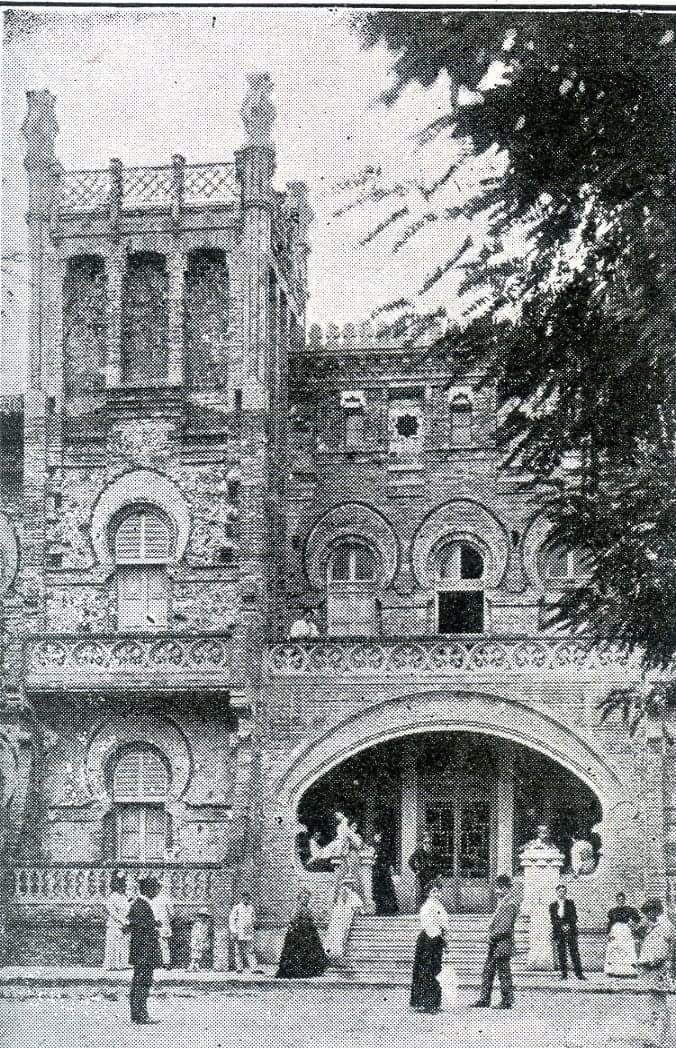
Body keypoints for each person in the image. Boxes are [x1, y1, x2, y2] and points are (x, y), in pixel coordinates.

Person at [472, 874, 519, 1009]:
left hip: (502, 943)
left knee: (503, 973)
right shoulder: (504, 902)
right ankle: (484, 999)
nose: (496, 891)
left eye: (498, 888)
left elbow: (505, 927)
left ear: (505, 888)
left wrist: (490, 936)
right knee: (488, 971)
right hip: (496, 943)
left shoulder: (510, 904)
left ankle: (507, 1000)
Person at [635, 898, 674, 1048]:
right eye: (646, 913)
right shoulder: (653, 925)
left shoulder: (665, 926)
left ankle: (660, 1041)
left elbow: (664, 950)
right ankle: (655, 1038)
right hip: (651, 970)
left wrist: (651, 961)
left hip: (659, 970)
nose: (647, 915)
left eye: (649, 912)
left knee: (660, 1005)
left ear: (657, 911)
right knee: (653, 1005)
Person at [125, 874, 162, 1025]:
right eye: (155, 888)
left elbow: (136, 924)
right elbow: (140, 928)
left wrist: (153, 923)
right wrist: (153, 925)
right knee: (143, 982)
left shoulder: (140, 904)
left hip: (142, 952)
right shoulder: (142, 904)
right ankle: (141, 1015)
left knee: (139, 982)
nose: (157, 891)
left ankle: (137, 1013)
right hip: (144, 953)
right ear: (148, 889)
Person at [410, 878, 450, 1014]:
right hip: (428, 940)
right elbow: (428, 925)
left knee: (435, 970)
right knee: (426, 971)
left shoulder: (439, 906)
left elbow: (444, 924)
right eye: (434, 891)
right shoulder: (427, 907)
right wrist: (437, 938)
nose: (437, 894)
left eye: (439, 891)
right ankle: (426, 1003)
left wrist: (444, 940)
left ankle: (434, 1003)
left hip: (436, 939)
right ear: (428, 893)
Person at [276, 888, 328, 978]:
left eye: (307, 898)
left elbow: (311, 920)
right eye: (303, 898)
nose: (305, 900)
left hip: (309, 933)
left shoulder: (308, 910)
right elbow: (292, 920)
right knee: (297, 952)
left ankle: (309, 971)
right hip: (298, 934)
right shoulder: (296, 909)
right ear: (299, 899)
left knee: (310, 952)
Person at [549, 882, 586, 981]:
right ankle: (564, 974)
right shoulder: (553, 905)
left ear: (565, 892)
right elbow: (553, 920)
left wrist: (568, 925)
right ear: (556, 892)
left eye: (563, 891)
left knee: (574, 952)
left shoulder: (570, 903)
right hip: (559, 931)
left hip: (570, 930)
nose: (561, 893)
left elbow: (574, 917)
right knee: (562, 953)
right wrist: (561, 926)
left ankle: (579, 974)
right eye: (559, 891)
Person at [324, 877, 363, 965]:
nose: (350, 886)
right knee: (338, 933)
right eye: (349, 884)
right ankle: (335, 953)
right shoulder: (348, 893)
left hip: (340, 914)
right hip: (342, 915)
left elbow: (357, 904)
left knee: (337, 933)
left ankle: (334, 952)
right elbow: (358, 905)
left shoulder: (344, 894)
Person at [604, 891, 640, 977]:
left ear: (624, 900)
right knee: (614, 948)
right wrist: (609, 933)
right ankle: (614, 971)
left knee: (626, 948)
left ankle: (628, 971)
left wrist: (633, 925)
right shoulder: (613, 911)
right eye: (619, 899)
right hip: (615, 930)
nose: (621, 901)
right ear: (616, 900)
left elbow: (637, 918)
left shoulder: (629, 909)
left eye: (622, 899)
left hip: (625, 931)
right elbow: (610, 923)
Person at [103, 871, 130, 970]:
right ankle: (113, 965)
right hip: (115, 925)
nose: (123, 887)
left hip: (125, 924)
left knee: (124, 944)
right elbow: (113, 913)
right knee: (114, 944)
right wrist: (123, 921)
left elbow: (128, 909)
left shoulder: (124, 897)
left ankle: (123, 964)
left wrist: (128, 920)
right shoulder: (112, 897)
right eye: (120, 884)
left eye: (123, 884)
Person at [228, 890, 261, 974]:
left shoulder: (251, 908)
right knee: (238, 950)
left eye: (247, 898)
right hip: (239, 932)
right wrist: (234, 931)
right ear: (241, 898)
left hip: (249, 932)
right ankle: (239, 968)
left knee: (250, 950)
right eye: (244, 897)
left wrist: (253, 924)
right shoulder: (237, 908)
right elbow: (231, 920)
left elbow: (253, 919)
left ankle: (253, 968)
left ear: (249, 899)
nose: (245, 899)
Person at [408, 832, 441, 904]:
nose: (428, 845)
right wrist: (415, 871)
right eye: (426, 843)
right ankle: (422, 909)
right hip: (422, 875)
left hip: (433, 875)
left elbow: (438, 863)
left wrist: (438, 873)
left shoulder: (434, 853)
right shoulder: (419, 852)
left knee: (432, 892)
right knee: (423, 893)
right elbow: (410, 862)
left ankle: (432, 909)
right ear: (423, 844)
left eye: (429, 843)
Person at [372, 832, 399, 915]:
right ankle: (380, 910)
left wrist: (388, 865)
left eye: (379, 836)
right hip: (377, 871)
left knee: (387, 889)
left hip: (384, 870)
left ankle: (390, 909)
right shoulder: (373, 846)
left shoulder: (384, 846)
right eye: (376, 836)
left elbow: (387, 857)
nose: (377, 837)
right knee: (378, 890)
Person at [151, 879, 174, 969]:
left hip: (159, 924)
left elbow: (171, 913)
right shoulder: (164, 899)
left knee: (159, 943)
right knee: (163, 944)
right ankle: (165, 963)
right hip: (162, 924)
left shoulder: (155, 899)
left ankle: (162, 963)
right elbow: (172, 913)